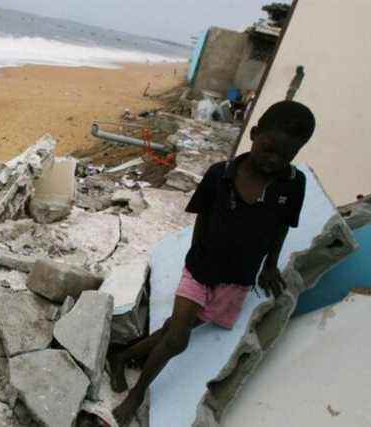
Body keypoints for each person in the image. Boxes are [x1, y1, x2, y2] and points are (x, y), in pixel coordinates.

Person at [108, 100, 316, 425]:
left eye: (285, 155)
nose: (273, 160)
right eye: (268, 149)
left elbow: (280, 228)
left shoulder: (293, 185)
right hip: (201, 270)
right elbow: (202, 220)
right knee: (177, 340)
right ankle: (136, 396)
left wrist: (271, 265)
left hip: (238, 279)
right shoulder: (220, 174)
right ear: (255, 134)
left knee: (175, 328)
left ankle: (121, 356)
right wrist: (197, 261)